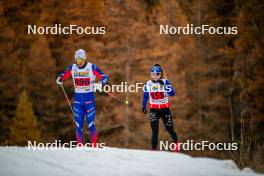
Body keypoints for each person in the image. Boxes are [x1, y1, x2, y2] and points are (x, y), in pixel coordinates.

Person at [56, 49, 108, 146]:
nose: (78, 63)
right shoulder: (73, 68)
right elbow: (63, 75)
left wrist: (100, 83)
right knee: (78, 125)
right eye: (76, 60)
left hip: (89, 101)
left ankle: (94, 147)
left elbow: (104, 77)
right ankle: (80, 147)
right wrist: (60, 78)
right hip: (78, 102)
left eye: (80, 61)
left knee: (90, 124)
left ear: (84, 59)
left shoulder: (91, 67)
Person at [142, 64, 178, 150]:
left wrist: (165, 86)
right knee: (154, 131)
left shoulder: (165, 82)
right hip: (154, 110)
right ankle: (154, 151)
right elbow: (145, 96)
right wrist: (143, 106)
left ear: (160, 74)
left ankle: (176, 145)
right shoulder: (148, 83)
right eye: (153, 74)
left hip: (165, 109)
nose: (155, 76)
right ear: (151, 74)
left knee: (170, 129)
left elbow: (172, 93)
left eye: (157, 74)